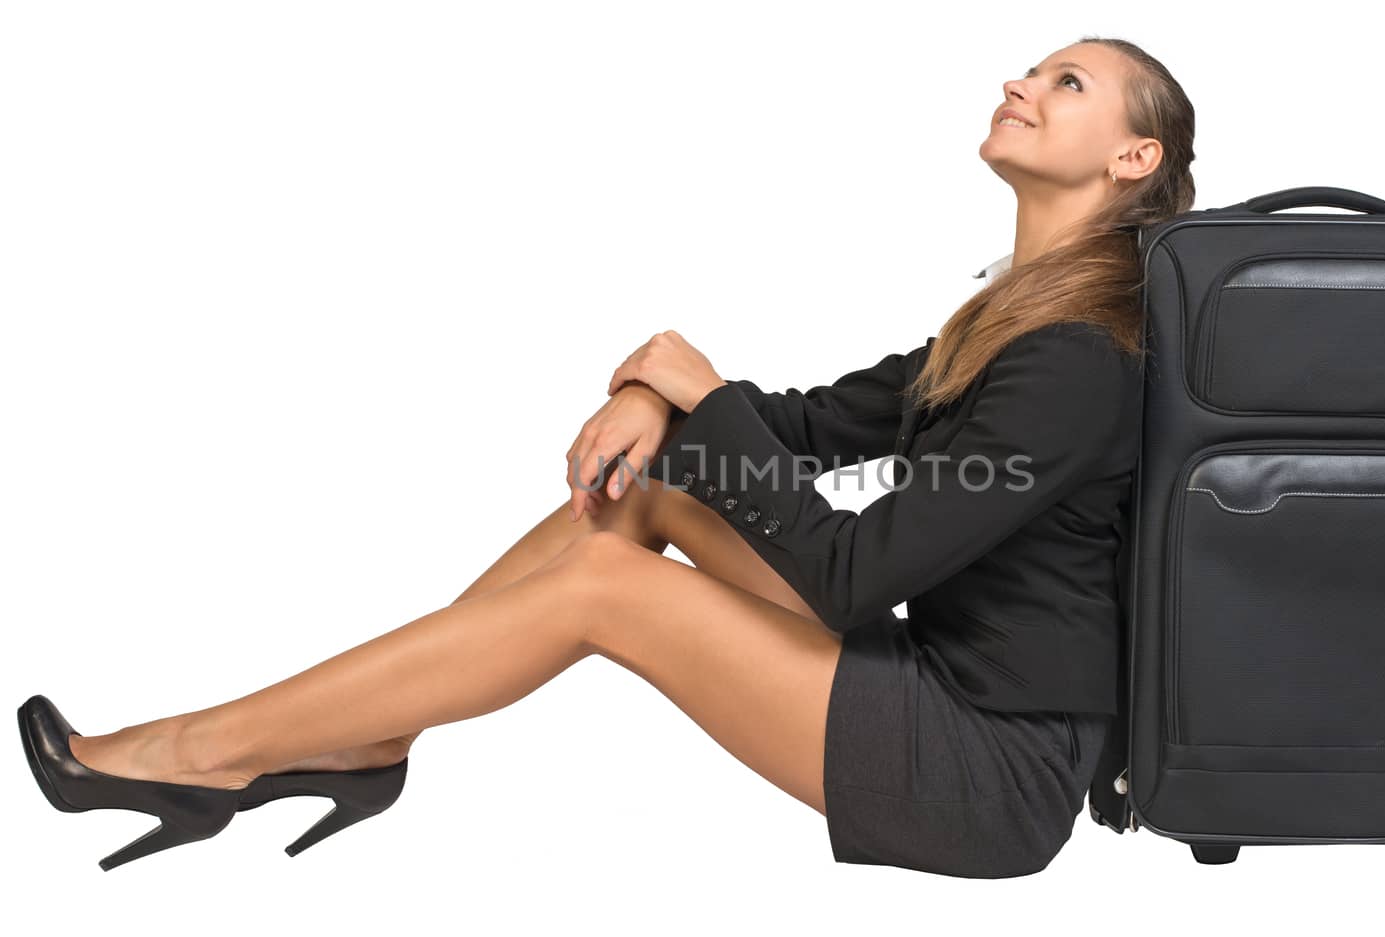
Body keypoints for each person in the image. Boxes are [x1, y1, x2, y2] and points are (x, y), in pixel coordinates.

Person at [19, 35, 1197, 877]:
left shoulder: (1082, 355)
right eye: (1034, 68)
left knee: (600, 588)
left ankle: (203, 750)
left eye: (1066, 81)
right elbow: (794, 427)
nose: (1018, 82)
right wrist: (658, 391)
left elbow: (852, 571)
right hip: (935, 683)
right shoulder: (1010, 316)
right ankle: (368, 735)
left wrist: (697, 384)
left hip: (982, 768)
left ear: (1131, 160)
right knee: (657, 491)